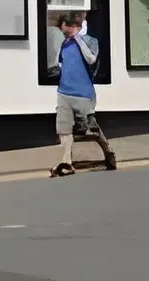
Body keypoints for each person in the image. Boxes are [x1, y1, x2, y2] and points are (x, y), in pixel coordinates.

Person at [50, 12, 116, 177]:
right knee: (63, 128)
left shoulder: (90, 41)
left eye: (66, 31)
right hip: (64, 92)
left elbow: (91, 59)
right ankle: (67, 162)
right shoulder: (64, 44)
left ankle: (108, 152)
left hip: (83, 93)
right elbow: (60, 63)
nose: (64, 34)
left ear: (75, 27)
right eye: (62, 32)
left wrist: (77, 39)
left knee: (91, 129)